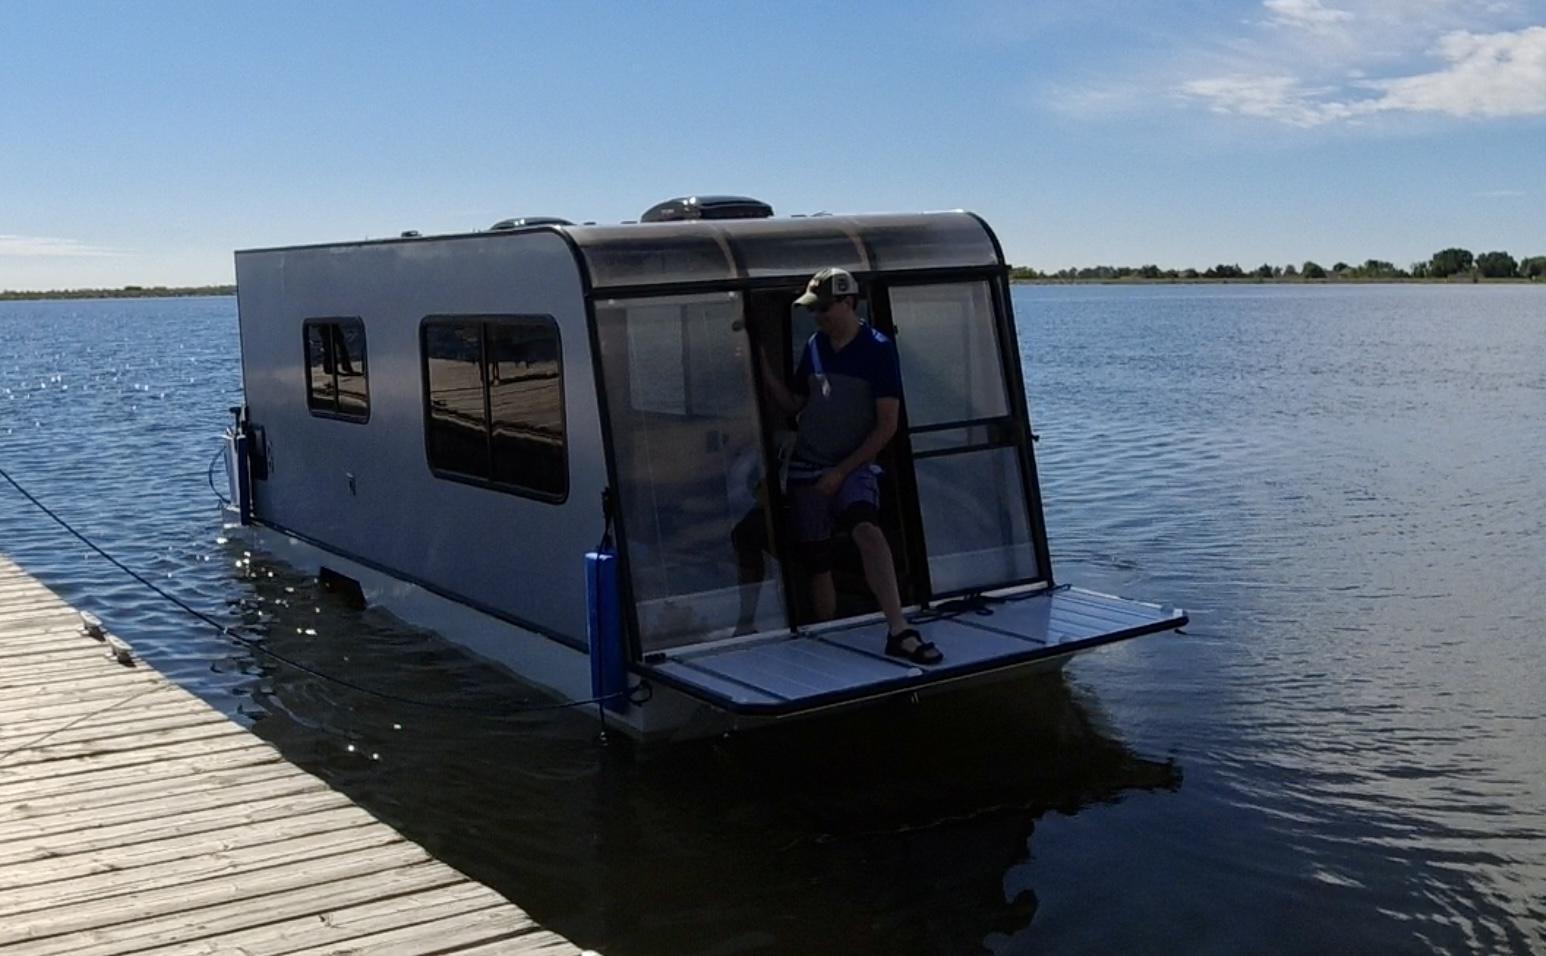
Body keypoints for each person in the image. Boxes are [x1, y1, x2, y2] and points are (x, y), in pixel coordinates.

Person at [758, 267, 942, 665]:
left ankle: (900, 630)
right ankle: (825, 645)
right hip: (808, 468)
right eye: (813, 309)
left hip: (853, 467)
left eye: (825, 308)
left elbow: (888, 425)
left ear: (849, 303)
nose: (818, 316)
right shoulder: (814, 345)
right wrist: (761, 369)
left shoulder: (877, 349)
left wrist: (842, 471)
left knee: (867, 531)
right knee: (817, 561)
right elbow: (795, 406)